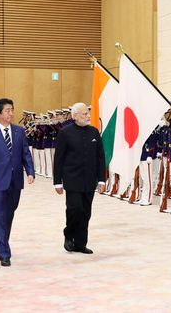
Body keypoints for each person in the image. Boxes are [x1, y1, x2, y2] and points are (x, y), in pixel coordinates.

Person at [0, 98, 35, 267]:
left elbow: (25, 153)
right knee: (0, 215)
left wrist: (30, 172)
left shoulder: (19, 131)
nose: (11, 113)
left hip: (15, 180)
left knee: (9, 213)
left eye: (12, 110)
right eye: (7, 111)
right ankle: (3, 252)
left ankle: (3, 241)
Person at [53, 102, 106, 254]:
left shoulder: (94, 132)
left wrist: (101, 179)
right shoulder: (65, 132)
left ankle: (81, 243)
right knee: (74, 209)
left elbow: (100, 157)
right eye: (84, 114)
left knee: (86, 212)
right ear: (75, 116)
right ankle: (69, 235)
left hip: (90, 180)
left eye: (88, 113)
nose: (88, 116)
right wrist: (57, 182)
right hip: (72, 179)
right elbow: (59, 159)